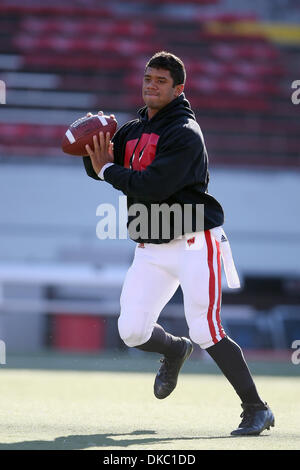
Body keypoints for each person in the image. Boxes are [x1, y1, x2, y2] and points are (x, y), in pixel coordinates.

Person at [82, 51, 275, 436]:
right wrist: (92, 151)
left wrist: (106, 169)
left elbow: (151, 185)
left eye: (161, 81)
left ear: (179, 89)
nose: (151, 85)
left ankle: (257, 409)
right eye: (148, 78)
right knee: (132, 331)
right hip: (151, 246)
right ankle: (174, 349)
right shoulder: (134, 128)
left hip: (194, 243)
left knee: (206, 328)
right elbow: (102, 168)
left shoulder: (185, 133)